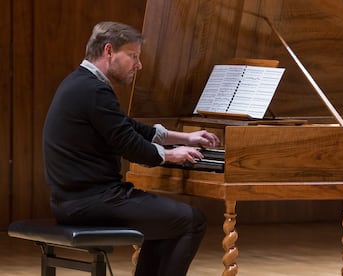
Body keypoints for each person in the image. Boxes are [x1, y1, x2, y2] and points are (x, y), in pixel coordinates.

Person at [43, 21, 220, 276]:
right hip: (93, 201)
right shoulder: (94, 90)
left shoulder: (80, 83)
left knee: (166, 223)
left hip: (74, 201)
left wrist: (185, 138)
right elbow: (129, 145)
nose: (139, 65)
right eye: (133, 56)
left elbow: (127, 127)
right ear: (109, 51)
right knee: (191, 221)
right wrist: (171, 155)